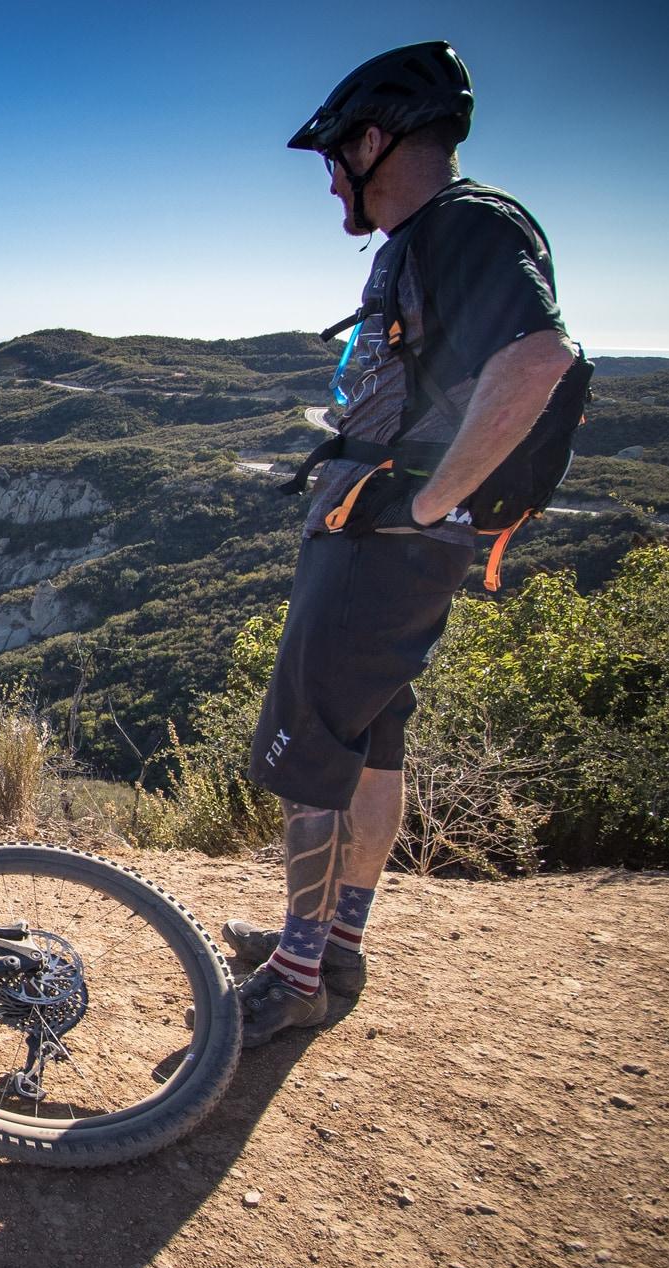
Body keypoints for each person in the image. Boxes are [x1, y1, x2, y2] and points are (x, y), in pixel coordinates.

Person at [227, 40, 577, 1047]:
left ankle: (293, 976)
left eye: (335, 156)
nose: (330, 177)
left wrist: (429, 504)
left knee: (305, 757)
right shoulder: (439, 236)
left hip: (382, 539)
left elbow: (539, 355)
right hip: (395, 540)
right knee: (368, 747)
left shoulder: (459, 224)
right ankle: (332, 943)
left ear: (375, 140)